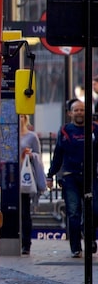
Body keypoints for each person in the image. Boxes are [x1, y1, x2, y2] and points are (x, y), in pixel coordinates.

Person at [47, 99, 98, 258]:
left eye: (82, 110)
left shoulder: (95, 129)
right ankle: (76, 247)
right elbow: (58, 156)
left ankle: (88, 235)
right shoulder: (65, 131)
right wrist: (50, 175)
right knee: (73, 212)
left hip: (91, 177)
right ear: (70, 113)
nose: (79, 113)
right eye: (76, 110)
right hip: (70, 178)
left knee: (94, 210)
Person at [19, 114, 44, 255]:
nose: (20, 118)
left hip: (25, 177)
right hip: (9, 177)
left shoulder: (31, 136)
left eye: (22, 116)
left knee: (25, 211)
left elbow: (38, 156)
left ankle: (26, 243)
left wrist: (30, 155)